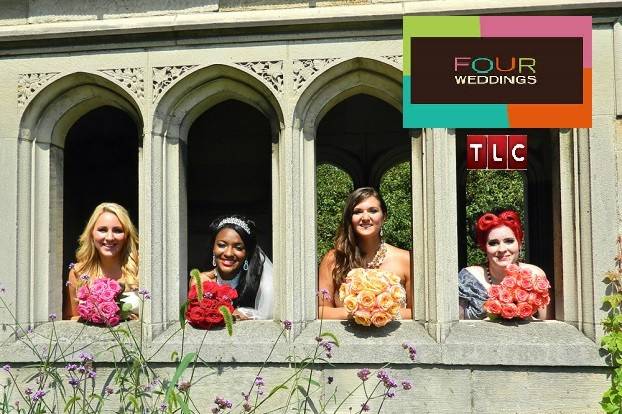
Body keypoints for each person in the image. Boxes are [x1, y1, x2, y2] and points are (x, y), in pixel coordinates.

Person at [318, 187, 412, 320]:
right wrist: (358, 312)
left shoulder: (406, 259)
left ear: (384, 216)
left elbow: (417, 313)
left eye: (373, 211)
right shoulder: (333, 259)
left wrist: (381, 312)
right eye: (357, 212)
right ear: (350, 218)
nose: (365, 217)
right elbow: (321, 311)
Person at [458, 210, 549, 320]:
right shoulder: (468, 278)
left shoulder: (535, 275)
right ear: (484, 247)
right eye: (493, 243)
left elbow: (545, 324)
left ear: (520, 242)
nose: (502, 249)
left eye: (509, 241)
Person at [64, 202, 140, 319]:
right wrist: (98, 318)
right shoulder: (77, 272)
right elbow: (71, 319)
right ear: (91, 234)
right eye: (102, 230)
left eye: (118, 230)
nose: (110, 237)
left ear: (127, 236)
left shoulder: (141, 268)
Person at [190, 215, 273, 320]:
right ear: (213, 248)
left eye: (238, 248)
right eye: (221, 245)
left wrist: (246, 313)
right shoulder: (201, 281)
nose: (228, 253)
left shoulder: (262, 283)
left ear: (247, 253)